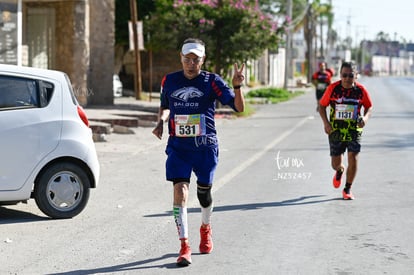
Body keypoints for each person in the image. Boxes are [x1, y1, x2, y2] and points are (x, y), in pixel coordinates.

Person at [152, 38, 245, 266]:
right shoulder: (170, 80)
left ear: (203, 60)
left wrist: (238, 86)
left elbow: (238, 107)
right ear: (180, 58)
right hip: (179, 146)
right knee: (180, 192)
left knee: (204, 195)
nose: (191, 63)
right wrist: (161, 122)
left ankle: (205, 227)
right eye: (187, 59)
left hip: (205, 146)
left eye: (196, 59)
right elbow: (165, 106)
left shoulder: (212, 81)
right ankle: (184, 245)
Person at [318, 61, 373, 200]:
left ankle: (347, 189)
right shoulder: (333, 89)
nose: (347, 78)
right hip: (336, 131)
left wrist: (365, 119)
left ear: (356, 75)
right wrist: (326, 123)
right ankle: (340, 170)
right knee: (335, 164)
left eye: (351, 75)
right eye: (344, 75)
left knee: (353, 157)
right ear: (340, 75)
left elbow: (369, 107)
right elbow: (322, 106)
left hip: (354, 129)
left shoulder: (361, 90)